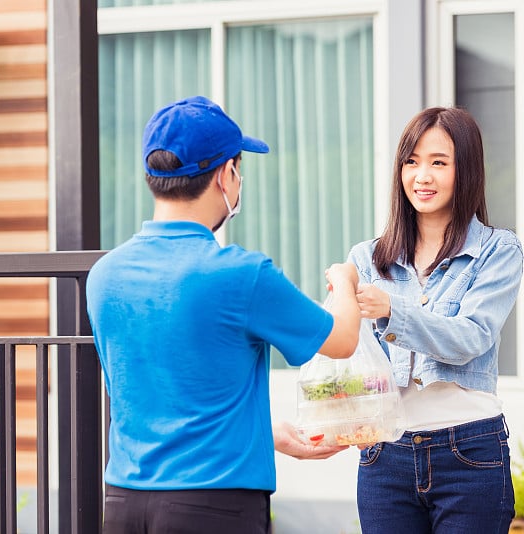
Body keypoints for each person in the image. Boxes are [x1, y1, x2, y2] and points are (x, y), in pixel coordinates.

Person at [86, 95, 362, 534]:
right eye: (239, 169)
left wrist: (264, 435)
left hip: (123, 503)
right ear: (225, 175)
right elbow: (342, 338)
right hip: (213, 507)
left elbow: (154, 397)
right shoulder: (241, 274)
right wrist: (346, 279)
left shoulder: (104, 276)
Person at [346, 106, 523, 533]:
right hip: (384, 456)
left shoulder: (498, 251)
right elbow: (353, 354)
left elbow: (471, 336)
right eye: (412, 161)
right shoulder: (367, 259)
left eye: (438, 163)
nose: (422, 176)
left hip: (469, 452)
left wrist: (392, 310)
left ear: (467, 171)